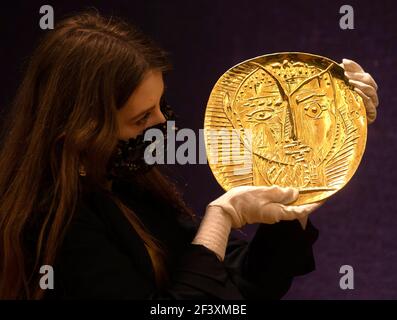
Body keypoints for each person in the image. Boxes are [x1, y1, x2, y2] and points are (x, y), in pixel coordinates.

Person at [0, 11, 379, 300]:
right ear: (80, 132)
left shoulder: (132, 187)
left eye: (160, 106)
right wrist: (220, 219)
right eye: (141, 118)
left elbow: (243, 288)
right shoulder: (51, 225)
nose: (163, 123)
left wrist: (318, 162)